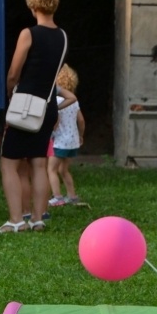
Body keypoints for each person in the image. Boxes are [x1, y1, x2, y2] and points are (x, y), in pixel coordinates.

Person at [0, 0, 72, 233]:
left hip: (25, 106)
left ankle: (16, 219)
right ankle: (38, 219)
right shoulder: (62, 36)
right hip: (48, 105)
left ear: (32, 5)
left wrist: (10, 91)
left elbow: (13, 73)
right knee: (39, 163)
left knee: (9, 162)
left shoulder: (28, 33)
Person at [48, 63, 85, 207]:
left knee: (51, 169)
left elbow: (55, 122)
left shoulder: (55, 101)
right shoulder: (74, 101)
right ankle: (72, 196)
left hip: (59, 141)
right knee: (64, 170)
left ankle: (57, 197)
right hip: (72, 141)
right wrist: (81, 135)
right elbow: (81, 120)